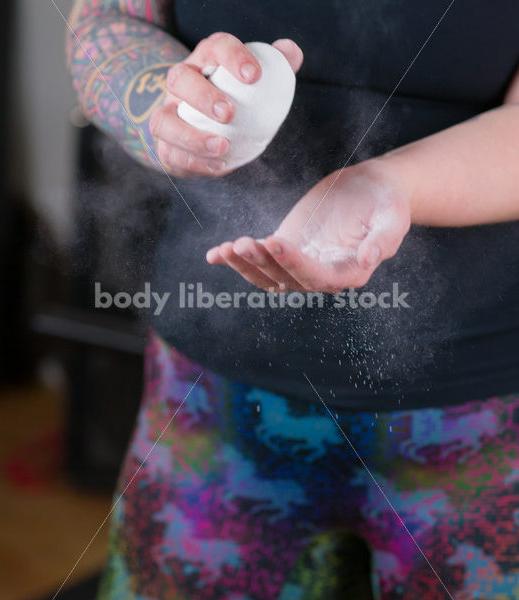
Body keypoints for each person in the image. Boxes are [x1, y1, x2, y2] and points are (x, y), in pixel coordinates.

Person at [67, 1, 519, 598]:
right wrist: (167, 110)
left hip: (479, 419)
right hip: (209, 401)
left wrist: (391, 185)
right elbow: (103, 21)